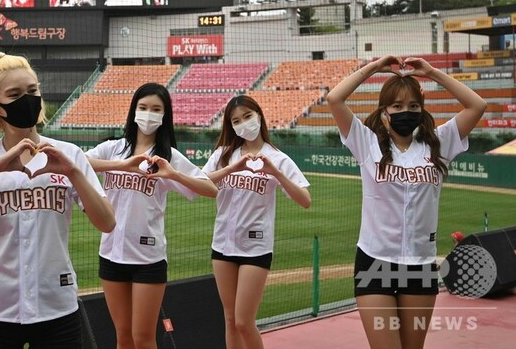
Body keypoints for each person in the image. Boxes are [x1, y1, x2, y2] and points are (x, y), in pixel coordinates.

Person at [0, 52, 116, 349]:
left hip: (56, 306)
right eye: (14, 94)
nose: (27, 100)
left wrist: (73, 172)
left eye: (32, 91)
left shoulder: (68, 154)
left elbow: (107, 222)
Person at [326, 56, 486, 349]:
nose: (406, 112)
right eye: (397, 106)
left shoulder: (439, 143)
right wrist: (373, 68)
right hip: (375, 261)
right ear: (385, 111)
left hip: (420, 264)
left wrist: (433, 73)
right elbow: (335, 98)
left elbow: (477, 106)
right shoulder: (367, 142)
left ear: (422, 110)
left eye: (413, 106)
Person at [85, 83, 218, 349]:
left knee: (143, 338)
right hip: (111, 252)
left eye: (156, 109)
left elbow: (211, 189)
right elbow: (78, 162)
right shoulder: (114, 149)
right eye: (143, 107)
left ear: (164, 116)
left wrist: (173, 174)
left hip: (148, 257)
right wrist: (123, 165)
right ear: (133, 110)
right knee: (122, 336)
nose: (148, 114)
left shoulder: (168, 156)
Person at [202, 95, 311, 349]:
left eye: (248, 117)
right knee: (229, 319)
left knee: (243, 321)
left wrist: (275, 173)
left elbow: (305, 199)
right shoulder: (224, 154)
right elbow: (202, 183)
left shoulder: (278, 158)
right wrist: (232, 167)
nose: (244, 124)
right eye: (236, 120)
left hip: (256, 247)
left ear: (259, 116)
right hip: (222, 245)